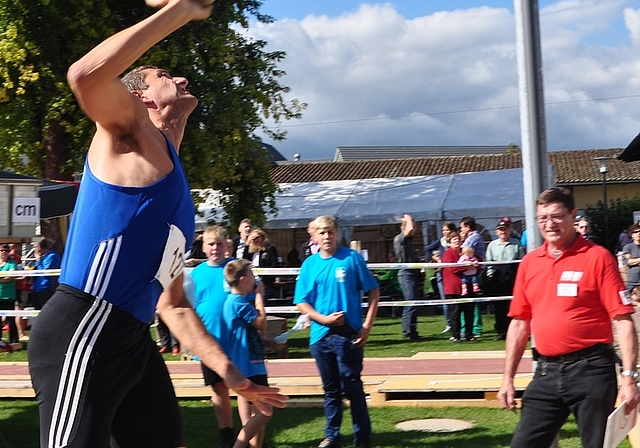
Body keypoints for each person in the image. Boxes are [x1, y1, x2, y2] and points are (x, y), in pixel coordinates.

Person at [27, 2, 287, 447]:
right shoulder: (127, 136)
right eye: (165, 77)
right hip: (83, 328)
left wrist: (233, 376)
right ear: (140, 97)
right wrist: (181, 11)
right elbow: (84, 77)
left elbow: (175, 305)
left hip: (132, 338)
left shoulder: (173, 181)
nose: (182, 79)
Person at [498, 187, 640, 448]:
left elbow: (622, 320)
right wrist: (507, 379)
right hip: (546, 373)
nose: (549, 224)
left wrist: (629, 379)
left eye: (556, 216)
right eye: (543, 218)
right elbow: (519, 324)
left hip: (591, 372)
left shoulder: (598, 258)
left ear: (573, 215)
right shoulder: (530, 263)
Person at [294, 215, 379, 448]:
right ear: (314, 237)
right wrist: (322, 319)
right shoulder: (309, 265)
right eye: (322, 233)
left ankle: (362, 437)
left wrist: (366, 327)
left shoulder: (351, 258)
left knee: (352, 386)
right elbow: (301, 302)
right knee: (331, 389)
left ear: (337, 233)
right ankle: (332, 436)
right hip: (320, 336)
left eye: (330, 232)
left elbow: (373, 292)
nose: (327, 236)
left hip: (347, 334)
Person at [191, 226, 236, 448]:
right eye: (211, 244)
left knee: (245, 386)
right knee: (218, 387)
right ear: (204, 246)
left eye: (219, 244)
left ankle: (252, 433)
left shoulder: (236, 268)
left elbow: (253, 293)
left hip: (237, 339)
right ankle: (226, 432)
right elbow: (188, 308)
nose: (215, 248)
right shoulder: (196, 273)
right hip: (210, 340)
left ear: (227, 246)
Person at [223, 259, 270, 448]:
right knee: (266, 410)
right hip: (249, 364)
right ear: (243, 279)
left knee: (254, 411)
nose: (254, 280)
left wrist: (267, 342)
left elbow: (243, 332)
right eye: (252, 275)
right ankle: (240, 445)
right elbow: (262, 323)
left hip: (248, 361)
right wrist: (259, 296)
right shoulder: (239, 303)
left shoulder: (232, 302)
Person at [484, 218, 524, 341]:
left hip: (512, 275)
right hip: (497, 276)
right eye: (500, 230)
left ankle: (514, 330)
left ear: (509, 230)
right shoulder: (492, 245)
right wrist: (490, 274)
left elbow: (521, 260)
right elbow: (489, 262)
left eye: (505, 229)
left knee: (512, 304)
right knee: (499, 305)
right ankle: (501, 331)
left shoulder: (516, 243)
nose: (503, 232)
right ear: (497, 232)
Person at [393, 213, 421, 340]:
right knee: (410, 303)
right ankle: (408, 332)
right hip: (405, 274)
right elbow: (408, 229)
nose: (414, 229)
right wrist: (408, 217)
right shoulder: (400, 238)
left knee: (413, 303)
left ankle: (412, 330)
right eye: (413, 227)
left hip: (412, 273)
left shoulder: (408, 241)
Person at [442, 233, 474, 342]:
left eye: (458, 239)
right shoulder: (447, 254)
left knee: (469, 312)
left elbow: (475, 261)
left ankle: (470, 335)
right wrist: (466, 267)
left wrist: (474, 266)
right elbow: (452, 268)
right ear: (449, 241)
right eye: (454, 239)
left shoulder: (465, 251)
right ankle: (456, 336)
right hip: (453, 288)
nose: (457, 241)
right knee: (455, 313)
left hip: (467, 287)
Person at [459, 216, 484, 337]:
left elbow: (462, 251)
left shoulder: (472, 238)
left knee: (472, 302)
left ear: (468, 227)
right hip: (470, 272)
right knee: (469, 301)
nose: (461, 230)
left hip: (473, 273)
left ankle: (475, 328)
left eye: (462, 228)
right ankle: (469, 328)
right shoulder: (475, 237)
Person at [243, 228, 280, 299]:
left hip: (264, 282)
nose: (256, 240)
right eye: (253, 238)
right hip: (251, 281)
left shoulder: (270, 248)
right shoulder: (251, 251)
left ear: (262, 237)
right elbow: (244, 260)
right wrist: (247, 244)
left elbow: (275, 265)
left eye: (257, 237)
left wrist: (259, 268)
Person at [30, 238, 60, 310]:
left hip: (45, 288)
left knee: (45, 310)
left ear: (39, 247)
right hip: (36, 288)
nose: (34, 249)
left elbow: (45, 272)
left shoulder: (51, 256)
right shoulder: (41, 257)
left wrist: (38, 261)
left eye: (35, 247)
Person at [0, 244, 18, 344]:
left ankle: (14, 341)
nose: (3, 252)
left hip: (8, 296)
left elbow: (10, 277)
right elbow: (6, 278)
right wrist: (4, 278)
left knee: (11, 319)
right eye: (1, 250)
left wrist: (3, 279)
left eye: (6, 251)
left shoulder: (12, 263)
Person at [623, 223, 640, 294]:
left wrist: (634, 260)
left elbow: (632, 261)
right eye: (635, 232)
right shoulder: (628, 247)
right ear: (631, 235)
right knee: (625, 300)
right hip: (632, 282)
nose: (638, 233)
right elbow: (628, 262)